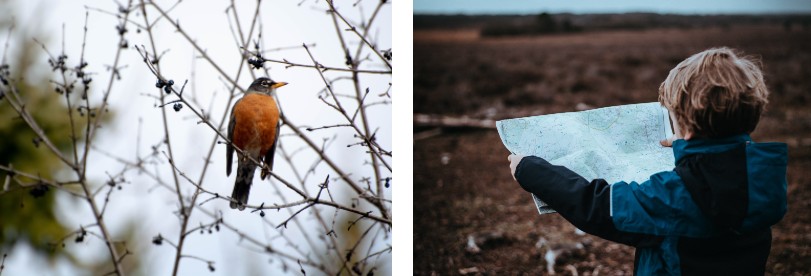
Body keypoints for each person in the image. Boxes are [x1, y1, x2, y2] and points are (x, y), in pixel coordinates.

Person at [508, 47, 787, 275]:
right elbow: (720, 168)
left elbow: (599, 207)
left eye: (674, 118)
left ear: (687, 126)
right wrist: (687, 146)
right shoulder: (763, 179)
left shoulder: (674, 196)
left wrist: (530, 170)